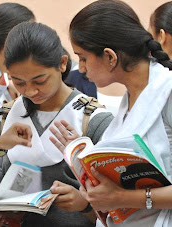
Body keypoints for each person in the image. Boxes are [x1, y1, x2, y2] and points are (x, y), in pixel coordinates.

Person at [0, 21, 114, 227]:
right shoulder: (4, 117)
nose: (30, 91)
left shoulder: (93, 120)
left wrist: (84, 205)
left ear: (62, 63)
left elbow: (122, 209)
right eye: (19, 82)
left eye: (39, 81)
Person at [51, 0, 172, 226]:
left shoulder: (167, 92)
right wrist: (85, 156)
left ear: (110, 57)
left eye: (83, 57)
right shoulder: (129, 100)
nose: (81, 68)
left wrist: (121, 197)